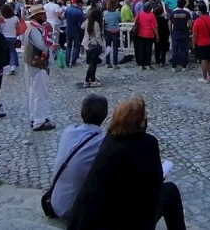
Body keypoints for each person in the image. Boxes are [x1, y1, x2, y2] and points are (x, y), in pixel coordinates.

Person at [67, 96, 186, 230]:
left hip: (89, 221)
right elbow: (152, 188)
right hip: (120, 220)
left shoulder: (109, 141)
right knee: (170, 192)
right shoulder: (148, 143)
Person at [48, 94, 109, 222]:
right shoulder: (102, 141)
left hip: (55, 202)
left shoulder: (68, 131)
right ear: (105, 115)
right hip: (76, 212)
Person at [23, 5, 55, 131]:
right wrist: (50, 37)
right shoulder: (34, 30)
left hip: (34, 63)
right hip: (37, 63)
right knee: (40, 93)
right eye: (42, 14)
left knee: (34, 92)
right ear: (35, 16)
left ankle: (35, 117)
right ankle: (39, 121)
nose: (45, 16)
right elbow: (42, 45)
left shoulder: (34, 27)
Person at [192, 3, 210, 82]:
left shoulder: (197, 21)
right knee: (209, 60)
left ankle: (204, 77)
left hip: (201, 43)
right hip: (209, 42)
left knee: (203, 60)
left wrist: (193, 44)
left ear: (200, 11)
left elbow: (194, 35)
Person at [81, 7, 105, 88]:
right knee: (93, 64)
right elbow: (98, 37)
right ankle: (92, 80)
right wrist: (102, 45)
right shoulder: (96, 24)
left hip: (88, 44)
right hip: (95, 45)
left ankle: (88, 80)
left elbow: (82, 26)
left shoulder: (88, 22)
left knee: (91, 63)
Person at [168, 0, 191, 72]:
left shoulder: (172, 13)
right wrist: (189, 29)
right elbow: (190, 24)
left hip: (175, 33)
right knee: (184, 50)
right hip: (184, 32)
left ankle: (173, 67)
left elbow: (170, 24)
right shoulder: (186, 13)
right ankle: (184, 66)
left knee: (175, 50)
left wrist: (171, 32)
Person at [135, 2, 158, 71]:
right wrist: (157, 35)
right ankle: (148, 64)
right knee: (148, 50)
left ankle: (141, 65)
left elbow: (136, 21)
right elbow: (154, 27)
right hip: (149, 35)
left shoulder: (140, 13)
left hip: (141, 34)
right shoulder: (151, 15)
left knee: (142, 50)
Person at [0, 4, 21, 75]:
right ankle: (12, 66)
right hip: (13, 36)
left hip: (4, 37)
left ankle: (6, 67)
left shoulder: (1, 18)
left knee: (5, 53)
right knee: (12, 52)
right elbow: (17, 27)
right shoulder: (15, 18)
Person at [65, 0, 85, 67]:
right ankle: (73, 61)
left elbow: (65, 17)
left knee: (68, 46)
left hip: (68, 29)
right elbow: (81, 22)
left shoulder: (68, 9)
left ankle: (67, 62)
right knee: (76, 46)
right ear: (79, 4)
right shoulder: (79, 11)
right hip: (76, 30)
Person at [103, 0, 122, 69]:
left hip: (107, 31)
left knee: (108, 47)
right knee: (115, 47)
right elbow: (120, 20)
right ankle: (115, 63)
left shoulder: (105, 13)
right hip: (115, 31)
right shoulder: (117, 13)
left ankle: (108, 63)